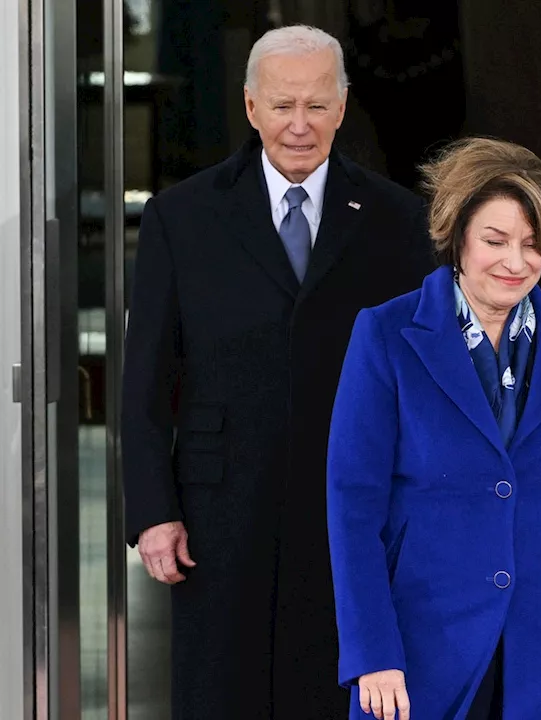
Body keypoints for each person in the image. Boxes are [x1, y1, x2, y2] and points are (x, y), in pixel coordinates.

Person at [121, 25, 435, 719]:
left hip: (352, 500)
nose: (300, 125)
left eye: (317, 105)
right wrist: (153, 512)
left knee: (336, 680)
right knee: (221, 687)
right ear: (250, 106)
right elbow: (147, 377)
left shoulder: (398, 217)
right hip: (219, 505)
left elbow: (421, 376)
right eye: (283, 105)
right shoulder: (182, 215)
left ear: (344, 107)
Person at [326, 137, 541, 720]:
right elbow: (353, 507)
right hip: (425, 642)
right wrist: (371, 651)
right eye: (495, 240)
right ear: (456, 237)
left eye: (533, 245)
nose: (516, 262)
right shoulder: (386, 334)